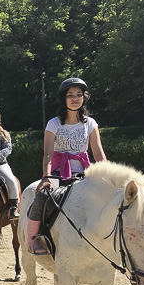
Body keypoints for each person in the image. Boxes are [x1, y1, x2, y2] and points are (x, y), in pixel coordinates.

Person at [27, 77, 107, 254]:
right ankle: (33, 239)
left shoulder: (91, 123)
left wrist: (110, 176)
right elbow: (47, 153)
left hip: (85, 172)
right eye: (70, 95)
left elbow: (98, 153)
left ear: (84, 98)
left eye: (79, 94)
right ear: (64, 98)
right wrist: (46, 177)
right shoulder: (53, 123)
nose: (75, 98)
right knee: (42, 197)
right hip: (57, 172)